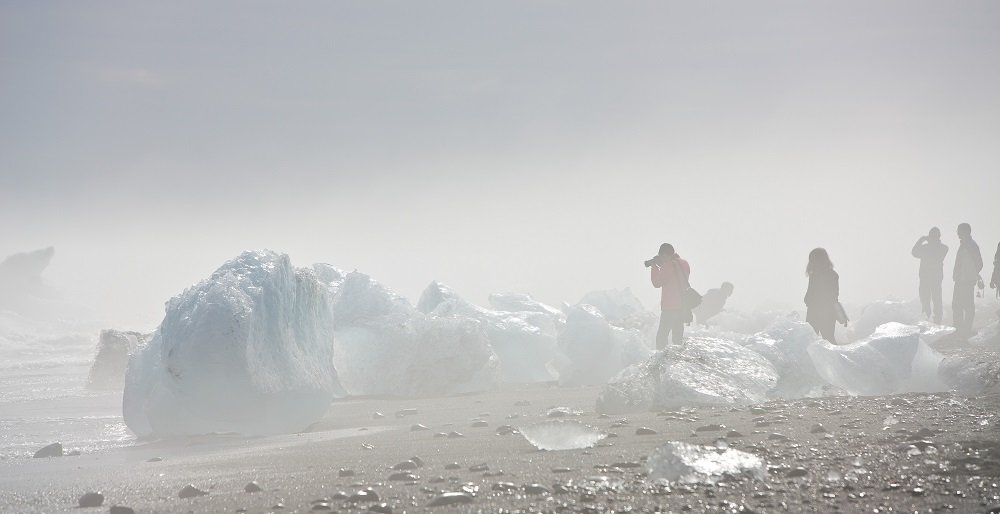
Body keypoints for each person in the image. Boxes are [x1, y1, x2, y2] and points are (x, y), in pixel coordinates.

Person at [649, 243, 691, 350]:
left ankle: (661, 362)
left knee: (661, 337)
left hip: (670, 307)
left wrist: (654, 266)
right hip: (682, 307)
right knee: (677, 338)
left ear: (664, 255)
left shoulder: (668, 265)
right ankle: (677, 362)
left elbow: (657, 283)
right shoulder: (685, 263)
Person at [911, 227, 949, 324]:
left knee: (930, 299)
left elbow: (914, 252)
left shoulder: (927, 248)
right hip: (932, 278)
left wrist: (921, 240)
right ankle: (934, 319)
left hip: (928, 278)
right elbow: (914, 253)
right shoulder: (942, 248)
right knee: (930, 299)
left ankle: (931, 319)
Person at [953, 223, 984, 335]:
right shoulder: (964, 245)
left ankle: (965, 329)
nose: (957, 233)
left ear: (965, 232)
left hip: (966, 281)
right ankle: (960, 329)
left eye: (958, 231)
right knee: (957, 305)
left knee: (967, 305)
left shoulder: (971, 246)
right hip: (960, 280)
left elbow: (979, 263)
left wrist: (972, 274)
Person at [804, 248, 839, 344]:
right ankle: (835, 358)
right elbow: (834, 295)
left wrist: (808, 301)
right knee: (829, 339)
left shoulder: (815, 275)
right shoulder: (833, 274)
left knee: (810, 340)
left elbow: (809, 294)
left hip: (814, 311)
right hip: (829, 312)